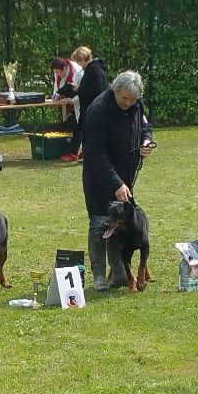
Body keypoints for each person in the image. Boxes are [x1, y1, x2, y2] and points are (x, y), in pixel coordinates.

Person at [81, 70, 154, 291]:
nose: (129, 103)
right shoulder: (98, 111)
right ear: (115, 90)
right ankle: (99, 277)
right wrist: (116, 183)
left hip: (126, 176)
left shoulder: (136, 105)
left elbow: (144, 127)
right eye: (125, 98)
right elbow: (94, 153)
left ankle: (120, 272)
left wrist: (147, 141)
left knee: (123, 222)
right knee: (98, 223)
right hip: (99, 177)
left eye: (133, 100)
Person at [69, 46, 109, 162]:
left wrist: (79, 90)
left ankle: (89, 154)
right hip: (91, 106)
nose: (78, 64)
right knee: (87, 130)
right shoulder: (94, 69)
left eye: (78, 61)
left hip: (92, 106)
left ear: (82, 59)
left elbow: (97, 89)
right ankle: (86, 153)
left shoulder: (94, 70)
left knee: (91, 132)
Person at [50, 56, 83, 162]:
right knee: (72, 125)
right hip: (68, 104)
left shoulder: (78, 72)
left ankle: (75, 153)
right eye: (55, 72)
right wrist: (56, 95)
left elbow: (81, 91)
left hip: (80, 103)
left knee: (79, 126)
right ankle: (73, 151)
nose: (57, 74)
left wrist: (71, 100)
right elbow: (57, 86)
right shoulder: (58, 73)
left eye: (59, 72)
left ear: (65, 68)